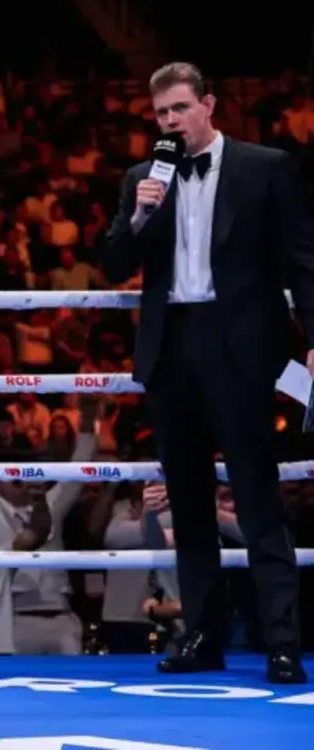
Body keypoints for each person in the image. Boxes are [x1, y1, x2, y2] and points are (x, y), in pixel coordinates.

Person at [103, 61, 312, 686]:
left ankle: (282, 642)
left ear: (209, 105)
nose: (171, 121)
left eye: (180, 109)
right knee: (189, 502)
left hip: (240, 347)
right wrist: (138, 217)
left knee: (258, 497)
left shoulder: (264, 167)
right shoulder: (143, 178)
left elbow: (303, 260)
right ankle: (202, 635)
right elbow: (113, 262)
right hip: (172, 347)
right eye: (161, 113)